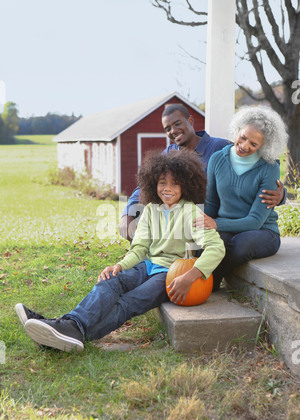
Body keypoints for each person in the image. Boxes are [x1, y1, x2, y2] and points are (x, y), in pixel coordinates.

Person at [15, 149, 225, 352]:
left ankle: (63, 330)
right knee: (110, 281)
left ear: (186, 186)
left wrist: (190, 276)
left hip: (170, 275)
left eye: (174, 184)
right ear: (153, 184)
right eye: (162, 182)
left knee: (129, 302)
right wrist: (119, 265)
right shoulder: (151, 209)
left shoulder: (191, 212)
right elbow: (139, 247)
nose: (167, 188)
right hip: (148, 266)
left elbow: (216, 248)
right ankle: (69, 325)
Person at [119, 103, 286, 241]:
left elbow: (253, 164)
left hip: (207, 214)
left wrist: (281, 195)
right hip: (180, 213)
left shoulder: (219, 148)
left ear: (190, 120)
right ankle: (150, 262)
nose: (173, 131)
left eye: (177, 124)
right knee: (142, 220)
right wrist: (127, 214)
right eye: (167, 128)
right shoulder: (168, 155)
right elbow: (144, 187)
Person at [197, 105, 288, 291]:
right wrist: (200, 222)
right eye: (243, 137)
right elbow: (212, 203)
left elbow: (255, 221)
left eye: (254, 144)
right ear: (238, 129)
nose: (245, 145)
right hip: (227, 226)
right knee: (204, 243)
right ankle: (200, 282)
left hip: (262, 231)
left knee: (239, 245)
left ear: (264, 146)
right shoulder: (217, 159)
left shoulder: (269, 168)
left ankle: (209, 283)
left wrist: (216, 224)